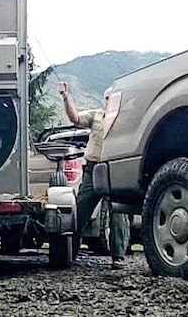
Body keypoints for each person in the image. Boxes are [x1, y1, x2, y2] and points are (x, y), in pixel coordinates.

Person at [59, 81, 131, 269]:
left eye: (113, 98)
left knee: (118, 212)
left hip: (113, 169)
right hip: (92, 170)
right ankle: (70, 253)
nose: (109, 101)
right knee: (80, 211)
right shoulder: (96, 115)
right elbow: (74, 118)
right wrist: (66, 97)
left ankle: (118, 257)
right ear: (104, 99)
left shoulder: (125, 118)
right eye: (107, 98)